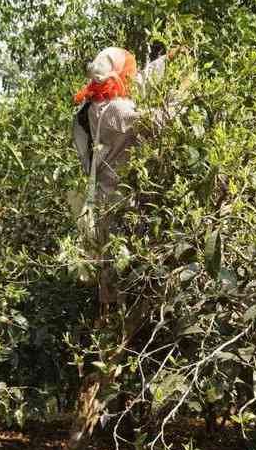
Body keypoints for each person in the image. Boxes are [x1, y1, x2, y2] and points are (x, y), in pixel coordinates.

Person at [72, 46, 185, 318]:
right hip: (120, 201)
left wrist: (166, 60)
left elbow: (137, 81)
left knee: (109, 265)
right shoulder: (119, 111)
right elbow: (162, 120)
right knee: (123, 265)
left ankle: (107, 319)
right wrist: (184, 91)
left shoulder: (91, 106)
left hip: (100, 198)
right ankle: (120, 327)